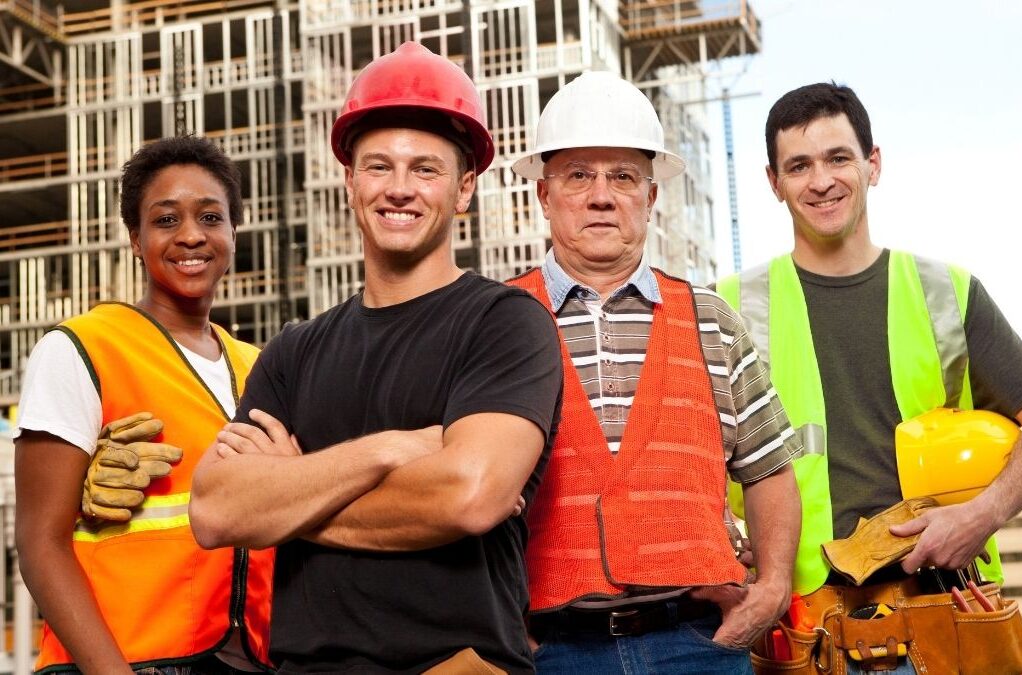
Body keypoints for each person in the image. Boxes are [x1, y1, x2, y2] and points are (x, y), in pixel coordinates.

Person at [188, 41, 563, 674]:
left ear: (465, 187)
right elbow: (217, 510)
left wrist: (290, 498)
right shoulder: (293, 351)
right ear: (349, 181)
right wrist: (388, 450)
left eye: (426, 170)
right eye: (378, 167)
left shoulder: (505, 324)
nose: (399, 190)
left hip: (458, 666)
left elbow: (469, 495)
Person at [718, 82, 1022, 673]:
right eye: (799, 166)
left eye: (839, 157)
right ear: (773, 183)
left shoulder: (947, 292)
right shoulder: (729, 307)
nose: (822, 180)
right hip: (805, 630)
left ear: (873, 164)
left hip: (944, 616)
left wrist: (981, 515)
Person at [505, 70, 802, 674]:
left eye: (622, 177)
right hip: (548, 652)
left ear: (651, 195)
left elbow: (770, 469)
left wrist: (771, 590)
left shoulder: (711, 320)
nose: (601, 195)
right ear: (543, 194)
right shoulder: (496, 323)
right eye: (578, 175)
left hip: (696, 645)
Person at [14, 135, 274, 673]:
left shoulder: (258, 367)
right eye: (165, 220)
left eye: (210, 217)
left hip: (245, 659)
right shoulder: (83, 349)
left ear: (233, 231)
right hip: (122, 659)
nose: (191, 236)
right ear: (135, 239)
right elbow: (40, 544)